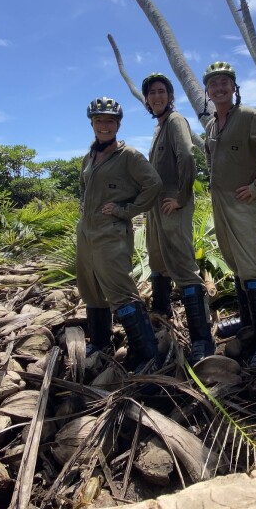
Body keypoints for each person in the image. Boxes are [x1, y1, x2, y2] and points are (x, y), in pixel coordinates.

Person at [202, 61, 256, 368]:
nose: (220, 88)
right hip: (220, 203)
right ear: (208, 91)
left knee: (251, 265)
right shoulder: (212, 125)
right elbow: (211, 155)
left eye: (225, 82)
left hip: (244, 201)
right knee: (235, 262)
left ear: (234, 88)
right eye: (214, 84)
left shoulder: (249, 116)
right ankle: (248, 322)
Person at [77, 97, 164, 373]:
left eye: (110, 121)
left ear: (118, 125)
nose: (104, 126)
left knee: (121, 291)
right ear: (92, 123)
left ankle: (148, 355)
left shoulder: (129, 156)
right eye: (99, 120)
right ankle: (100, 343)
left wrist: (127, 209)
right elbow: (84, 188)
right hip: (87, 233)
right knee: (91, 288)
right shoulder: (89, 156)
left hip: (112, 233)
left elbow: (154, 184)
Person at [142, 73, 215, 365]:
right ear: (146, 100)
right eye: (152, 93)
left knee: (183, 267)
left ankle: (202, 339)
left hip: (174, 204)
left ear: (170, 96)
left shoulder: (175, 121)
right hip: (157, 207)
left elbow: (186, 156)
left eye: (162, 91)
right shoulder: (159, 127)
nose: (157, 96)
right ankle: (161, 313)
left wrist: (182, 196)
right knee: (157, 260)